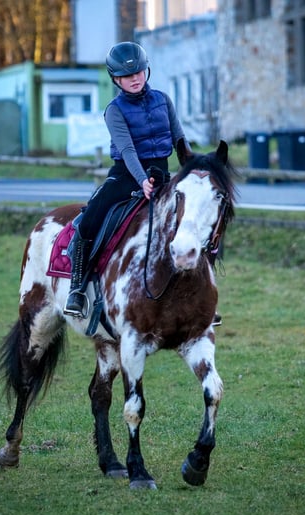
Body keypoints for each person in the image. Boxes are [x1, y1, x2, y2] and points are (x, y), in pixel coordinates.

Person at [63, 41, 189, 318]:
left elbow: (179, 139)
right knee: (89, 220)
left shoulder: (164, 100)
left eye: (139, 73)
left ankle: (197, 295)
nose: (135, 79)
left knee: (193, 222)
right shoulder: (114, 110)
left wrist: (192, 168)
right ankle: (77, 288)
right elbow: (128, 150)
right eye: (127, 76)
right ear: (115, 79)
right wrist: (142, 181)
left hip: (162, 173)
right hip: (126, 176)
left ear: (147, 72)